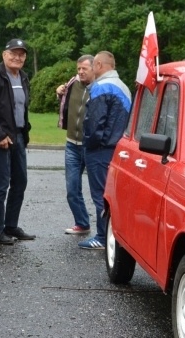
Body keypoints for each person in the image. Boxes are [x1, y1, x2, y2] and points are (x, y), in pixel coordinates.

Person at [0, 38, 36, 245]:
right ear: (4, 54)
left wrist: (22, 135)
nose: (17, 57)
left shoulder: (23, 77)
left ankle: (11, 226)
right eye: (13, 53)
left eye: (21, 54)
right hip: (1, 139)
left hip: (19, 136)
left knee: (20, 182)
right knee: (1, 185)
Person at [78, 51, 132, 250]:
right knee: (114, 195)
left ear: (99, 65)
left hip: (100, 150)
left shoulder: (100, 87)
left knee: (100, 194)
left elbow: (95, 122)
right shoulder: (123, 87)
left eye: (93, 66)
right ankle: (115, 235)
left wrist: (88, 144)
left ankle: (102, 237)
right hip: (117, 148)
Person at [56, 55, 94, 236]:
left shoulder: (99, 87)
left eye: (84, 69)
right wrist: (59, 93)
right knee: (72, 189)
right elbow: (65, 105)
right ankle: (82, 223)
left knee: (99, 191)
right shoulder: (72, 84)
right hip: (72, 143)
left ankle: (106, 232)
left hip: (92, 145)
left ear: (94, 68)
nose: (80, 72)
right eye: (78, 68)